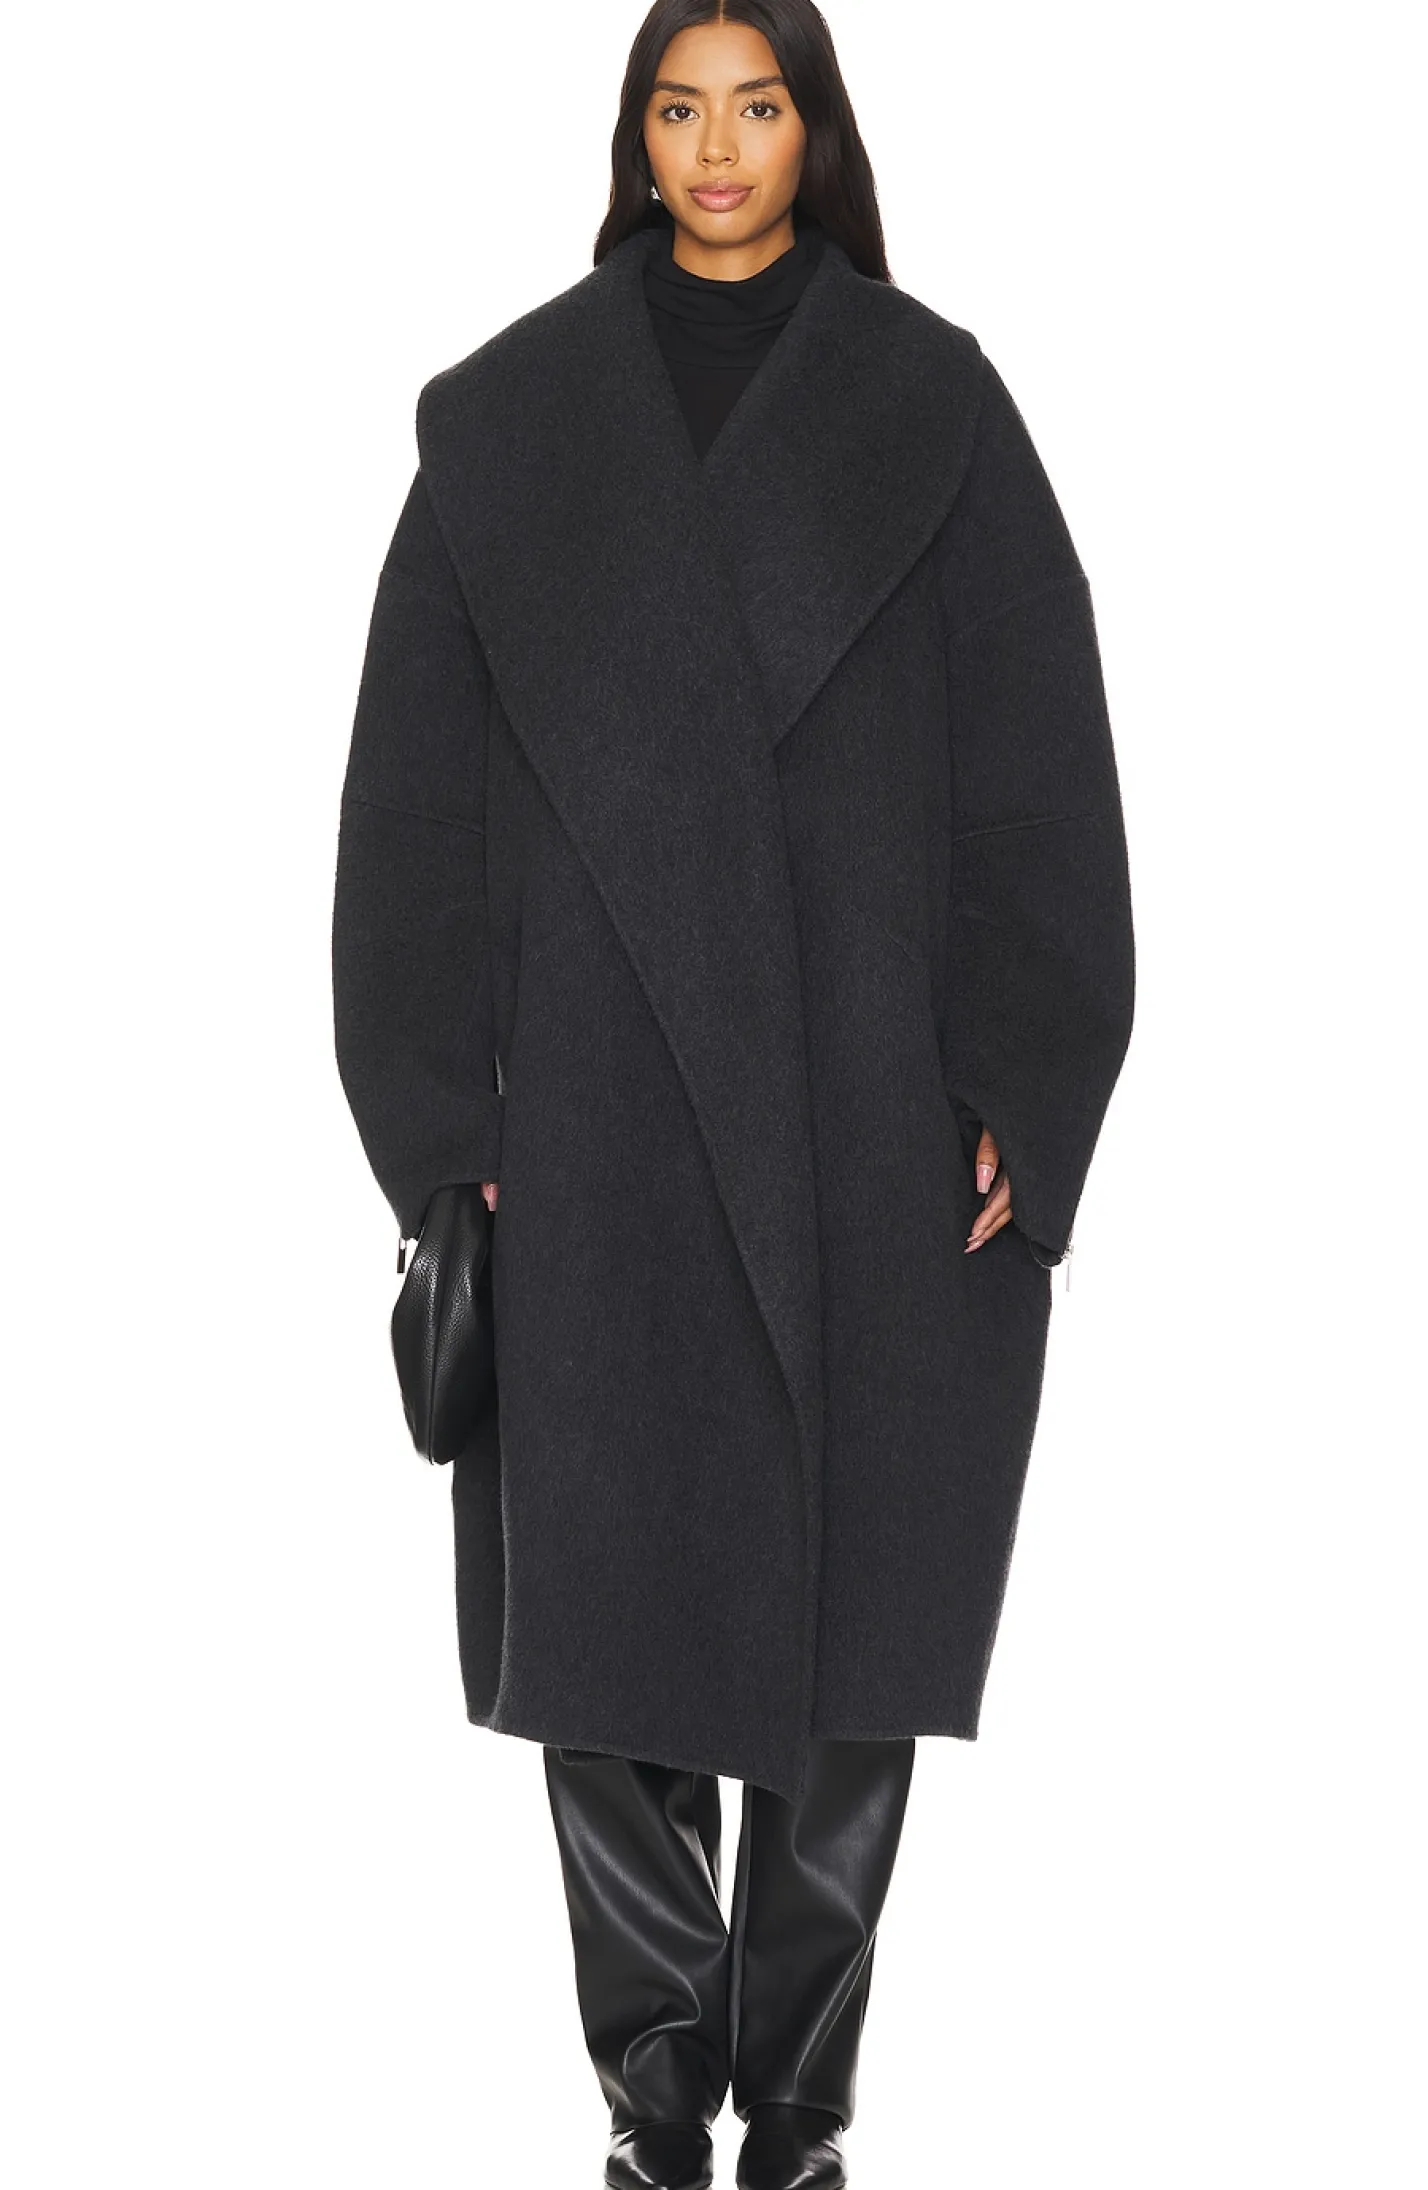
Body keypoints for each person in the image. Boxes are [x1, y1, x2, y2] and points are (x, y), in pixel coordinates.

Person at [330, 4, 1136, 2184]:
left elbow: (1040, 773)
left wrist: (1025, 1076)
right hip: (587, 1122)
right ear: (635, 135)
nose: (717, 148)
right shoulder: (509, 429)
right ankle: (653, 2106)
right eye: (678, 108)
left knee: (858, 1623)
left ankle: (798, 2113)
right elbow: (407, 815)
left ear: (814, 131)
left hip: (873, 1118)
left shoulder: (933, 408)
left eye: (756, 106)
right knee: (601, 1631)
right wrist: (443, 1136)